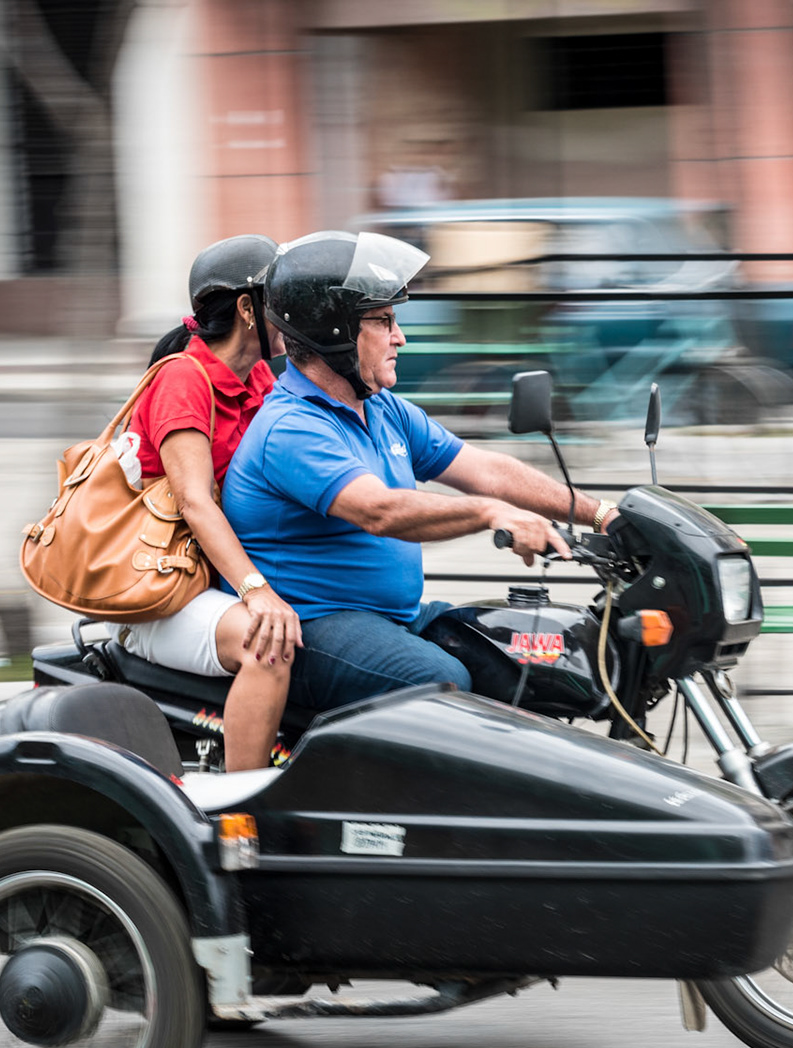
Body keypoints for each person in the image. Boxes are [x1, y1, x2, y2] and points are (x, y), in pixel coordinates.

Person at [222, 230, 618, 710]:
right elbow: (380, 511)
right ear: (336, 332)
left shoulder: (382, 408)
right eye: (384, 321)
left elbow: (485, 470)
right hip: (313, 627)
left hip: (392, 617)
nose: (400, 337)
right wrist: (491, 515)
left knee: (522, 652)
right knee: (441, 680)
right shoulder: (291, 427)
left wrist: (602, 516)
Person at [116, 234, 302, 770]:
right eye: (281, 299)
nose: (293, 315)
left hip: (210, 577)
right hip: (161, 592)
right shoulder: (181, 380)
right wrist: (256, 590)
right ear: (248, 309)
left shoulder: (260, 377)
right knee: (267, 644)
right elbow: (195, 502)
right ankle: (245, 808)